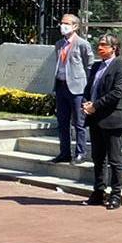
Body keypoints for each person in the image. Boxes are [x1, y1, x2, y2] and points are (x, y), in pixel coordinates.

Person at [81, 34, 122, 210]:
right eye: (99, 45)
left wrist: (95, 105)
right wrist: (86, 103)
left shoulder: (121, 67)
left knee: (115, 159)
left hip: (112, 119)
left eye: (104, 45)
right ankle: (98, 191)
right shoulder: (96, 66)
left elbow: (117, 93)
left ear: (114, 48)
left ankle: (116, 194)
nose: (99, 48)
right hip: (95, 119)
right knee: (98, 157)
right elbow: (89, 88)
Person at [50, 13, 95, 164]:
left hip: (77, 88)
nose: (63, 26)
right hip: (61, 85)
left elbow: (89, 66)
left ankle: (81, 153)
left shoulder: (82, 44)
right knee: (62, 122)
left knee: (79, 122)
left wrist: (87, 88)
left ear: (75, 26)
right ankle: (64, 152)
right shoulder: (58, 44)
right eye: (62, 23)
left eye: (67, 23)